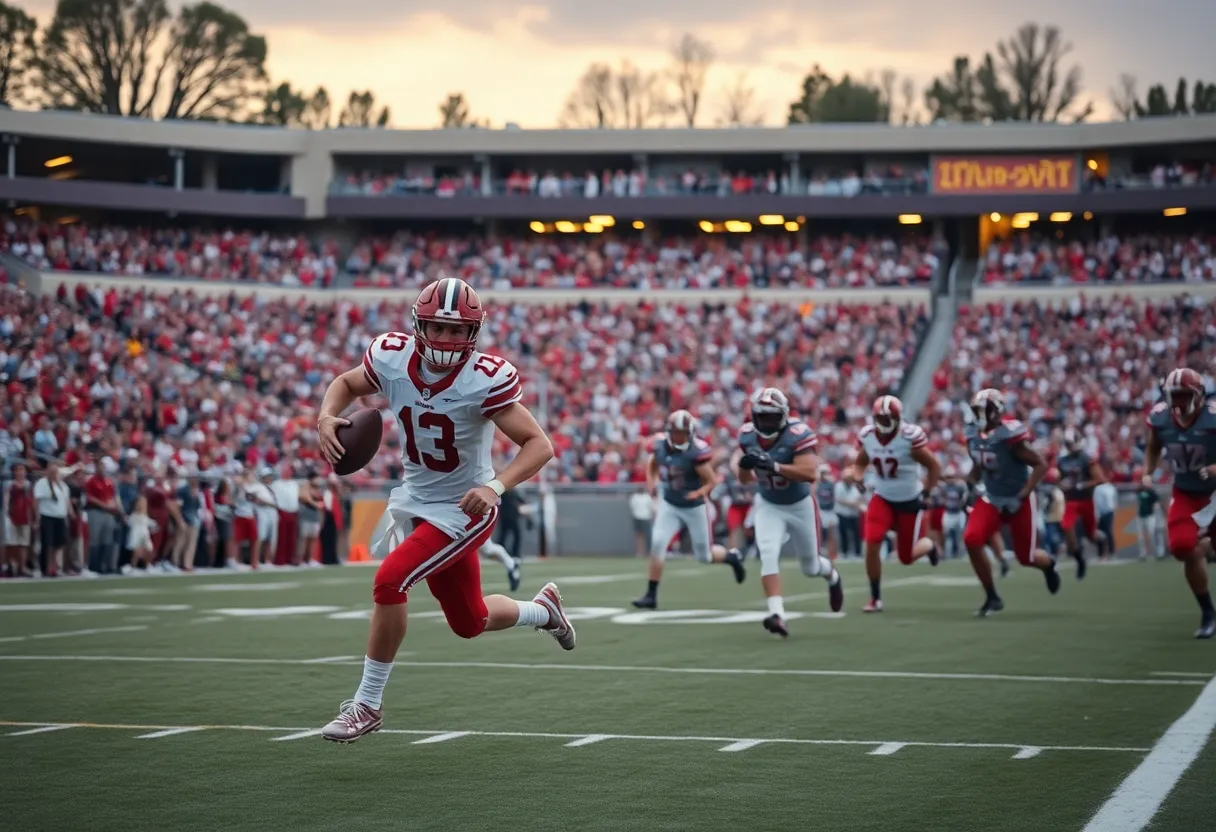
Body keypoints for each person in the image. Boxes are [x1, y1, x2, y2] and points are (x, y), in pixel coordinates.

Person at [316, 277, 573, 743]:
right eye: (438, 328)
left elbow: (540, 445)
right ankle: (543, 610)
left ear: (475, 332)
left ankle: (367, 705)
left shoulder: (485, 377)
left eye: (459, 331)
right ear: (419, 324)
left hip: (465, 509)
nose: (449, 340)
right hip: (417, 501)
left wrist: (496, 486)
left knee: (389, 580)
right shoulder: (391, 358)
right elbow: (346, 383)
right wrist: (326, 416)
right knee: (468, 621)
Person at [735, 387, 842, 638]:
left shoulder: (797, 434)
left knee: (811, 567)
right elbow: (744, 480)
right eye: (763, 416)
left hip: (799, 505)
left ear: (783, 416)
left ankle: (833, 576)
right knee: (768, 552)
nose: (767, 422)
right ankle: (777, 614)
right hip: (769, 504)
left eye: (772, 416)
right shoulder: (747, 436)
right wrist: (743, 466)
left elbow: (809, 473)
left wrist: (774, 465)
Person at [631, 410, 745, 610]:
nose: (679, 437)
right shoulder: (660, 445)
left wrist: (698, 492)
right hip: (670, 504)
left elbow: (711, 480)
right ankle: (651, 594)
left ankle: (731, 557)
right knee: (657, 543)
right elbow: (653, 464)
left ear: (691, 432)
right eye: (676, 432)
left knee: (704, 556)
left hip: (694, 507)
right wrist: (652, 483)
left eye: (683, 433)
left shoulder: (696, 451)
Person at [963, 389, 1061, 617]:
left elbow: (1040, 465)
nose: (979, 414)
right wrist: (969, 484)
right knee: (971, 538)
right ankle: (992, 596)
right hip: (992, 497)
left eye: (984, 409)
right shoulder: (973, 434)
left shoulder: (1009, 435)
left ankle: (1048, 565)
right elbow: (980, 464)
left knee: (1025, 557)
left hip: (1018, 497)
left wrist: (1024, 493)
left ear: (996, 411)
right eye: (977, 409)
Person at [1141, 368, 1216, 638]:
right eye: (1174, 396)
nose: (1179, 402)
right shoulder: (1161, 418)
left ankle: (1207, 545)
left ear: (1199, 395)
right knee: (1183, 547)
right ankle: (1208, 611)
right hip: (1186, 492)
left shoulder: (1212, 417)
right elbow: (1152, 446)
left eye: (1184, 395)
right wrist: (1148, 471)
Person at [850, 395, 942, 613]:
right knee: (872, 542)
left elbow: (934, 466)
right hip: (882, 497)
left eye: (886, 419)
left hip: (909, 501)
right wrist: (858, 475)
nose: (882, 423)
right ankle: (875, 598)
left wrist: (928, 493)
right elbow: (861, 461)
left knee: (906, 557)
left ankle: (929, 546)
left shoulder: (908, 437)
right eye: (879, 419)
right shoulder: (869, 436)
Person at [1058, 426, 1104, 578]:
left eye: (1070, 443)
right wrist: (1061, 484)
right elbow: (1060, 479)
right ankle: (1080, 560)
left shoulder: (1086, 459)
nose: (1068, 446)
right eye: (1066, 443)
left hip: (1086, 500)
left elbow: (1100, 479)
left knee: (1091, 535)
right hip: (1071, 501)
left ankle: (1101, 541)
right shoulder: (1062, 460)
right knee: (1066, 526)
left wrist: (1083, 484)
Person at [33, 463, 71, 577]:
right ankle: (46, 568)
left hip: (60, 516)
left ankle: (55, 566)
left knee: (59, 543)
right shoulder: (42, 483)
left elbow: (66, 501)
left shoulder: (62, 485)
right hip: (47, 516)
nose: (54, 474)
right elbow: (36, 501)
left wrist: (69, 515)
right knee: (47, 543)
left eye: (56, 472)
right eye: (52, 472)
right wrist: (36, 518)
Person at [4, 463, 32, 578]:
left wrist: (32, 517)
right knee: (13, 543)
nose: (20, 472)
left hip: (25, 517)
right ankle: (12, 565)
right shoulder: (10, 485)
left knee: (24, 543)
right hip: (13, 516)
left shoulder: (28, 485)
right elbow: (7, 500)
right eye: (18, 470)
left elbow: (30, 502)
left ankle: (23, 567)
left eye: (22, 470)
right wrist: (7, 514)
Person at [122, 496, 158, 574]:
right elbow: (129, 522)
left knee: (149, 551)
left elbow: (149, 523)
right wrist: (126, 519)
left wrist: (154, 526)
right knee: (136, 553)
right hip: (136, 536)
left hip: (144, 536)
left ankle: (148, 565)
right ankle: (133, 567)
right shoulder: (134, 516)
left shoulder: (144, 516)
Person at [940, 468, 969, 560]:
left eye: (951, 477)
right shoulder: (944, 487)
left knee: (960, 533)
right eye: (948, 477)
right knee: (945, 532)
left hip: (958, 512)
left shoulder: (960, 486)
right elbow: (941, 498)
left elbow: (965, 497)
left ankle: (961, 552)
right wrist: (945, 502)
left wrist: (960, 504)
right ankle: (945, 552)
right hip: (948, 512)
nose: (950, 479)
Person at [834, 470, 862, 559]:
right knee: (843, 533)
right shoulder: (838, 486)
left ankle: (858, 553)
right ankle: (844, 552)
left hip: (853, 514)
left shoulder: (854, 488)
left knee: (856, 534)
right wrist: (851, 503)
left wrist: (855, 504)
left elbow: (858, 499)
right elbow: (838, 499)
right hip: (842, 513)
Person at [1136, 478, 1165, 561]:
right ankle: (1143, 554)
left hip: (1150, 516)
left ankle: (1158, 553)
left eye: (1147, 482)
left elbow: (1156, 503)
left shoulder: (1152, 492)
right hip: (1141, 516)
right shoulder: (1140, 491)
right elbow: (1138, 502)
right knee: (1141, 537)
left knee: (1152, 534)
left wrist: (1156, 513)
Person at [815, 464, 839, 561]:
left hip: (830, 510)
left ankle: (832, 553)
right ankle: (818, 552)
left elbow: (834, 497)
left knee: (831, 533)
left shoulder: (831, 484)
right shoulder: (816, 484)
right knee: (819, 533)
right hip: (821, 510)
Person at [1094, 480, 1118, 561]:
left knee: (1108, 532)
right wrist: (1096, 514)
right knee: (1099, 533)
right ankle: (1100, 554)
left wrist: (1114, 509)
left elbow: (1114, 499)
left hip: (1109, 512)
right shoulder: (1097, 488)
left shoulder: (1111, 487)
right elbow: (1096, 502)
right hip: (1100, 512)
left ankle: (1111, 553)